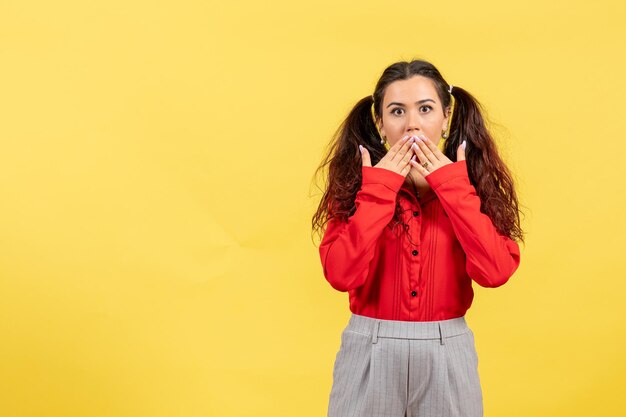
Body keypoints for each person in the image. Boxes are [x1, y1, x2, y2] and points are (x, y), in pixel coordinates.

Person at [311, 59, 525, 417]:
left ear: (445, 118)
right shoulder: (356, 188)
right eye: (397, 111)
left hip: (447, 348)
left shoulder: (471, 185)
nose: (412, 123)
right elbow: (340, 275)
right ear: (380, 124)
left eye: (425, 109)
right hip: (370, 346)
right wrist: (379, 189)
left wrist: (452, 186)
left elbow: (496, 271)